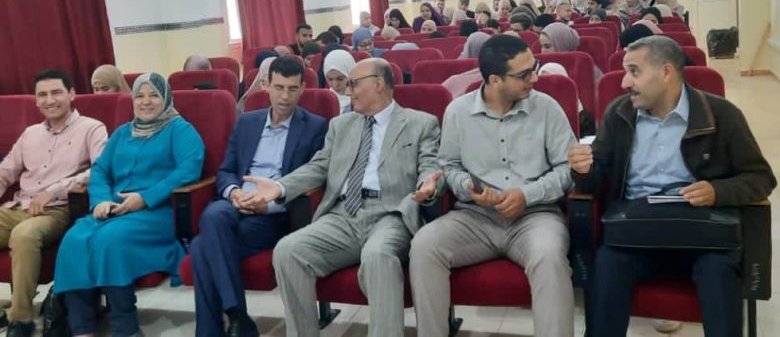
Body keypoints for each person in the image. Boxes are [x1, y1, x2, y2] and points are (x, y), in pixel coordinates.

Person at [567, 36, 776, 337]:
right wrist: (583, 170)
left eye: (634, 71)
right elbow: (595, 178)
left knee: (719, 273)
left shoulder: (721, 115)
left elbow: (760, 178)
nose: (625, 82)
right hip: (635, 233)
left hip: (702, 237)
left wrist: (717, 192)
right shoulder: (619, 114)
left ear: (666, 72)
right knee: (608, 265)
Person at [248, 58, 441, 337]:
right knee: (288, 251)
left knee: (377, 255)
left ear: (378, 83)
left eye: (353, 84)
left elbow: (430, 165)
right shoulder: (341, 125)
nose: (347, 91)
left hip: (390, 214)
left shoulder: (420, 123)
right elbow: (319, 167)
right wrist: (280, 187)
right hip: (341, 215)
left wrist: (429, 185)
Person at [411, 35, 576, 337]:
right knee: (424, 245)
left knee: (549, 257)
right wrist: (467, 187)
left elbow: (568, 169)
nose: (535, 78)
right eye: (524, 74)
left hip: (535, 216)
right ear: (494, 80)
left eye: (534, 67)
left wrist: (527, 195)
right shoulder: (458, 112)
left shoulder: (546, 108)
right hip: (475, 217)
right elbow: (449, 166)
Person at [54, 73, 205, 337]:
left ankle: (125, 327)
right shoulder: (123, 133)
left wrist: (145, 197)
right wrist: (100, 200)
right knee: (73, 240)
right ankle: (82, 329)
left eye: (154, 95)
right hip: (113, 210)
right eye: (139, 96)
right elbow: (100, 170)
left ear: (166, 98)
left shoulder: (180, 130)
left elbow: (188, 171)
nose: (146, 102)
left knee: (110, 240)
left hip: (157, 212)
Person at [190, 57, 327, 337]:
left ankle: (219, 328)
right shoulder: (247, 123)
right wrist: (234, 193)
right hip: (237, 203)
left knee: (201, 247)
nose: (285, 96)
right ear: (266, 85)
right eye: (279, 87)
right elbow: (226, 170)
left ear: (303, 88)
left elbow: (312, 180)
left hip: (273, 214)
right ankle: (238, 317)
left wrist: (270, 203)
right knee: (213, 215)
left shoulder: (315, 126)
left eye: (292, 89)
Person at [0, 70, 107, 337]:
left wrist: (54, 190)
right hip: (19, 207)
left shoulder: (92, 128)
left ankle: (21, 319)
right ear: (36, 100)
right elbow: (5, 172)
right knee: (19, 227)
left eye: (56, 92)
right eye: (42, 95)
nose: (49, 100)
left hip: (57, 210)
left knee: (24, 235)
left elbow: (101, 169)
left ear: (71, 94)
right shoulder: (30, 134)